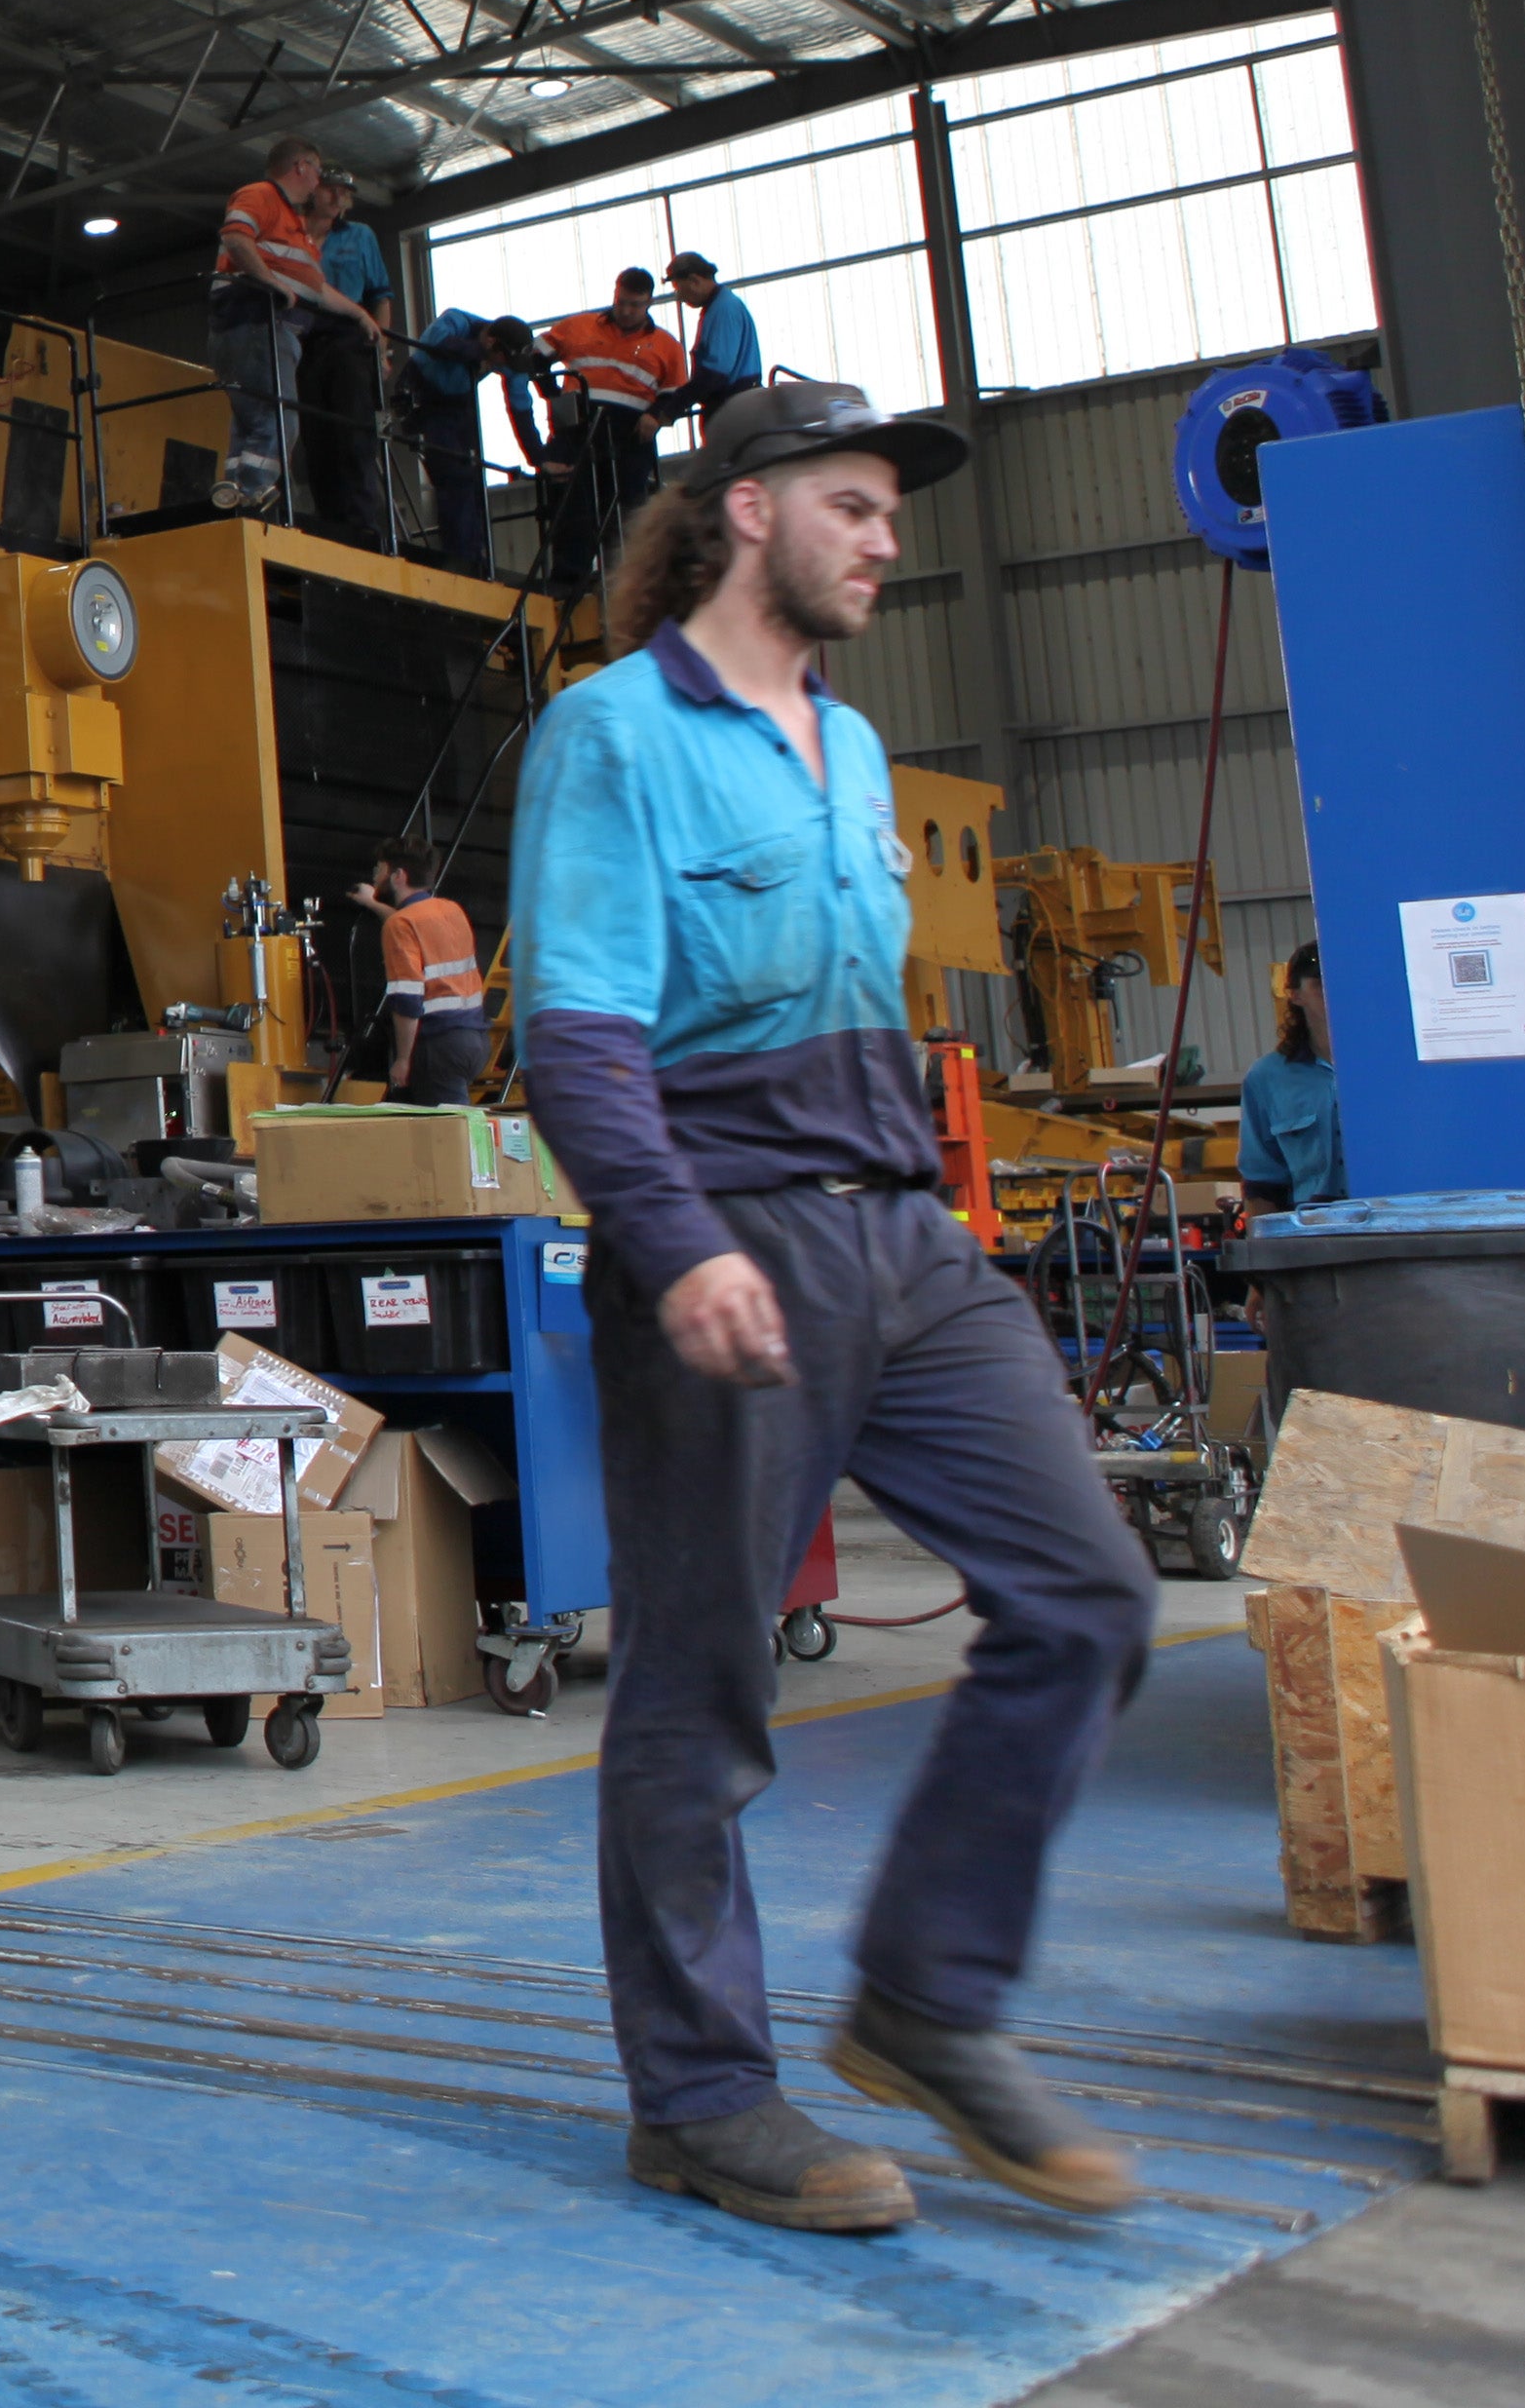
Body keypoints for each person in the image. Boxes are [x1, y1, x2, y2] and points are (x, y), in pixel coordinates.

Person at [509, 376, 1160, 2236]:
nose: (886, 537)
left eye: (889, 509)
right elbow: (576, 1035)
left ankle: (929, 1997)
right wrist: (678, 1238)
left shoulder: (852, 749)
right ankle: (702, 2091)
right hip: (730, 1232)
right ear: (746, 509)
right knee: (701, 1688)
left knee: (1090, 1591)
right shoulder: (613, 735)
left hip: (906, 1235)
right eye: (856, 504)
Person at [205, 137, 373, 519]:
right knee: (278, 418)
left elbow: (318, 289)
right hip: (256, 323)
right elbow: (234, 237)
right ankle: (252, 495)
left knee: (253, 421)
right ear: (300, 167)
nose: (318, 182)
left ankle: (234, 491)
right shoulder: (261, 195)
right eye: (316, 171)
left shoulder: (295, 225)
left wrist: (359, 314)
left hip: (257, 328)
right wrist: (269, 282)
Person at [538, 269, 688, 593]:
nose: (626, 310)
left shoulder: (666, 346)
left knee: (626, 509)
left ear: (649, 302)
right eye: (622, 302)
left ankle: (625, 585)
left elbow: (676, 394)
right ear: (615, 294)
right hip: (578, 430)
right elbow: (535, 354)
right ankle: (568, 579)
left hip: (630, 436)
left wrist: (657, 417)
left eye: (635, 305)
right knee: (572, 503)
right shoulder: (578, 327)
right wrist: (551, 394)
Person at [393, 310, 549, 578]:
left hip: (459, 405)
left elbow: (521, 405)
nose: (506, 366)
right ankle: (462, 561)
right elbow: (437, 342)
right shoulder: (456, 321)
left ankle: (475, 558)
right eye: (504, 359)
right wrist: (477, 353)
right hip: (423, 397)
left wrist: (539, 458)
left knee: (472, 477)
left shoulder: (508, 359)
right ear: (491, 343)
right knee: (454, 478)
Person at [301, 170, 398, 548]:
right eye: (331, 189)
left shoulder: (360, 236)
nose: (339, 198)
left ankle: (361, 523)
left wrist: (382, 350)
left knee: (355, 433)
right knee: (315, 436)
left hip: (349, 338)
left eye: (345, 193)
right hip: (304, 340)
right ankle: (330, 522)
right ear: (314, 191)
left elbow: (380, 295)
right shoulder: (295, 233)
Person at [354, 849, 489, 1104]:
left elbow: (407, 999)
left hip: (439, 1044)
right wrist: (372, 904)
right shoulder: (451, 910)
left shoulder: (400, 925)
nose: (375, 877)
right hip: (474, 1040)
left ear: (398, 876)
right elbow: (412, 922)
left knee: (447, 1133)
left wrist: (403, 1059)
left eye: (379, 870)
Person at [1237, 942, 1345, 1209]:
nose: (1334, 991)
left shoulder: (1390, 1067)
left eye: (1341, 978)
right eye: (1320, 983)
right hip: (1314, 1229)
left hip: (1392, 1220)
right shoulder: (1267, 1078)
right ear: (1296, 995)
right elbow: (1262, 1182)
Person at [663, 250, 767, 426]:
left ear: (694, 281)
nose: (679, 297)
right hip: (739, 406)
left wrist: (672, 408)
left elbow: (714, 374)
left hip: (735, 411)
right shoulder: (720, 306)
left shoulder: (723, 310)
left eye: (679, 289)